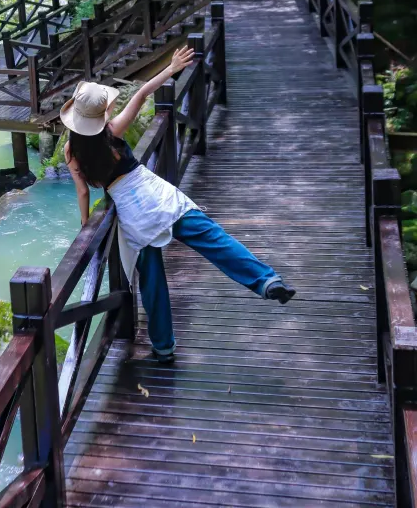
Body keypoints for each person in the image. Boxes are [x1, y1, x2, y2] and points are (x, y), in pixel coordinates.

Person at [62, 46, 295, 363]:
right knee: (212, 237)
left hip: (133, 214)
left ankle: (163, 347)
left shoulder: (72, 153)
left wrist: (84, 224)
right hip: (155, 194)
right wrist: (171, 68)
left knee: (152, 277)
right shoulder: (112, 131)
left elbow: (83, 193)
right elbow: (142, 93)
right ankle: (265, 280)